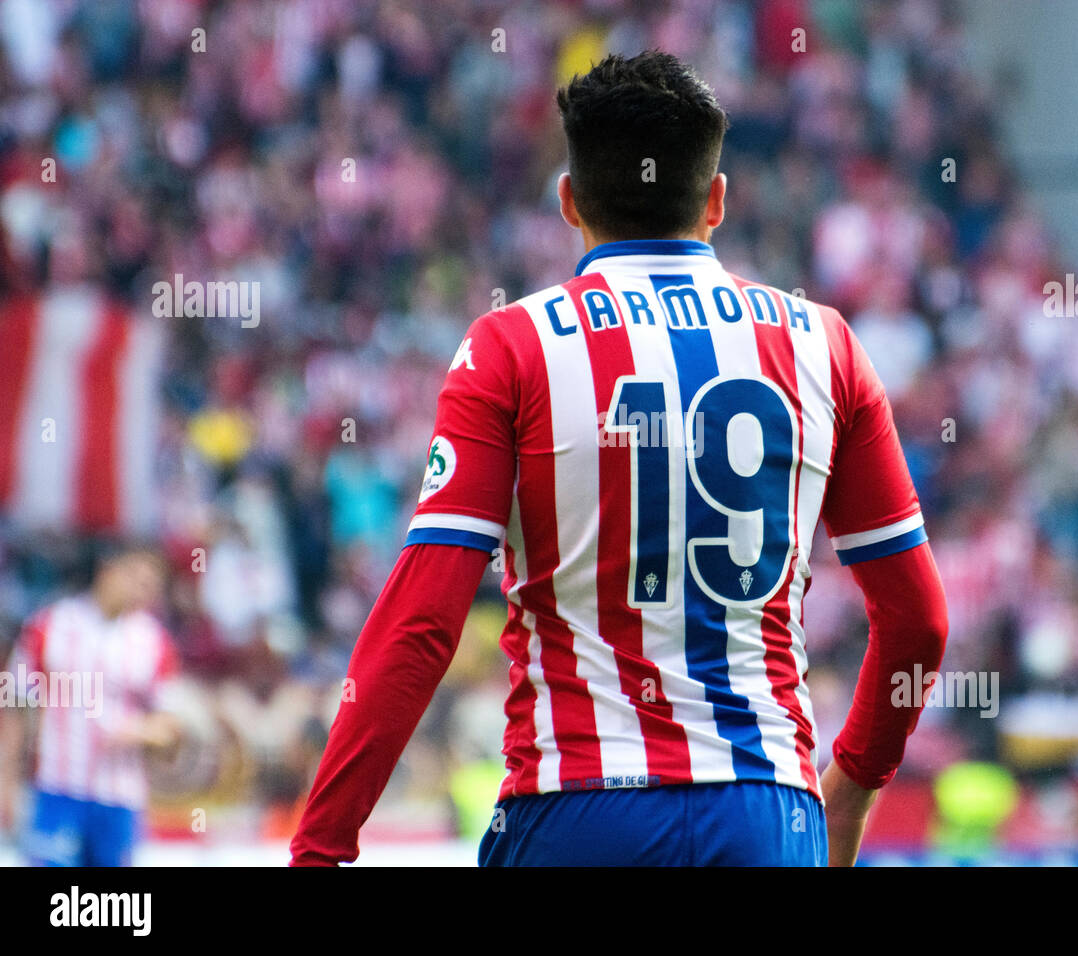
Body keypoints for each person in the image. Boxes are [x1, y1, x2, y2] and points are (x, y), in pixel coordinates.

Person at [290, 50, 948, 867]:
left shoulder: (511, 347)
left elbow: (423, 623)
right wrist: (851, 783)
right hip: (766, 815)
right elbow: (919, 622)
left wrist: (322, 843)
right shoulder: (827, 346)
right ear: (716, 202)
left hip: (575, 808)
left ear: (570, 203)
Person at [0, 540, 182, 866]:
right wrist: (6, 781)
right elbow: (14, 704)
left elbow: (171, 726)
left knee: (110, 909)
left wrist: (143, 732)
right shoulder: (50, 625)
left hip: (120, 796)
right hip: (58, 787)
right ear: (107, 571)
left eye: (152, 586)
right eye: (138, 579)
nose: (145, 592)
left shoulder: (154, 642)